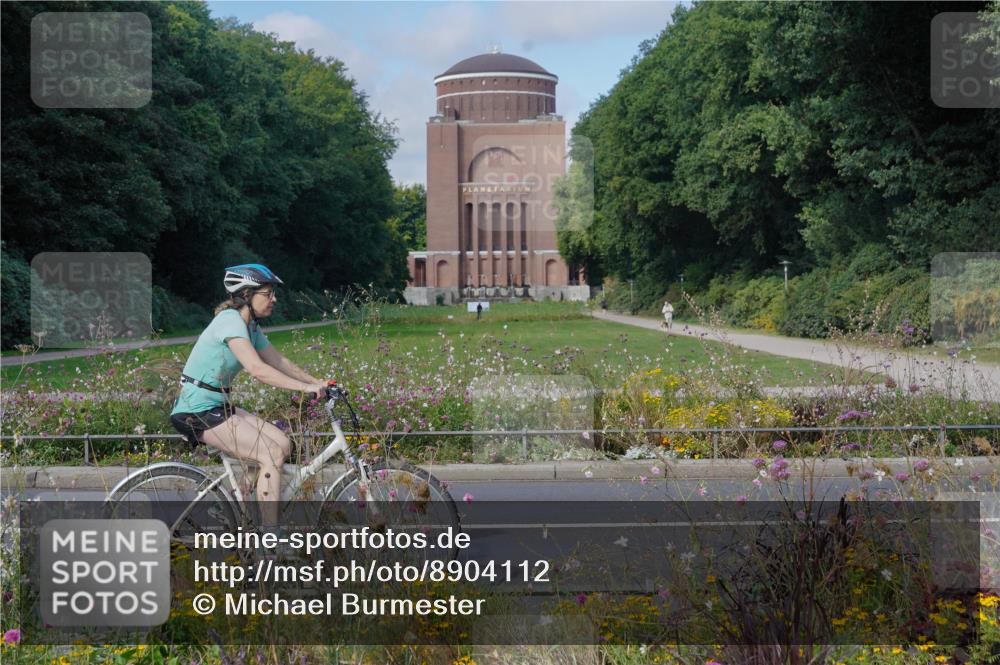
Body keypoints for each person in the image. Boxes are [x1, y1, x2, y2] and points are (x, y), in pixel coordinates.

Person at [169, 264, 330, 535]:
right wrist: (304, 389)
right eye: (268, 293)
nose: (274, 299)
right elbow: (258, 369)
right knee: (270, 453)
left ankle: (232, 503)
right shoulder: (230, 321)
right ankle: (270, 537)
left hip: (216, 406)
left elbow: (278, 361)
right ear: (246, 294)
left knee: (282, 442)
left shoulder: (250, 326)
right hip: (196, 410)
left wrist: (317, 383)